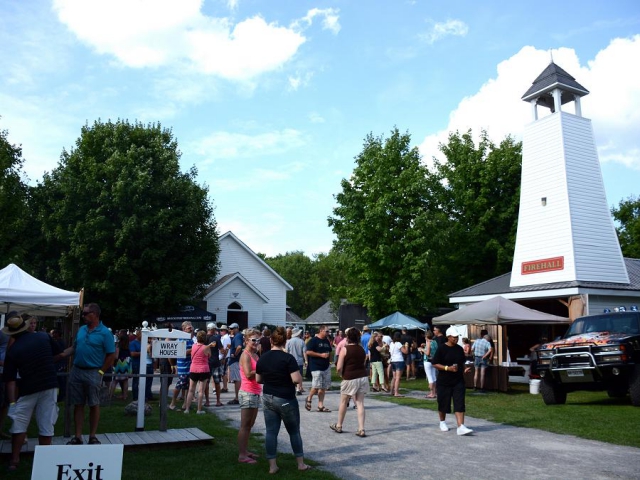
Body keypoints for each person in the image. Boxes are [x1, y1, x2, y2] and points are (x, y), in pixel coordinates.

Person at [2, 312, 63, 471]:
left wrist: (13, 403)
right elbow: (58, 355)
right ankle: (44, 460)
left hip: (28, 387)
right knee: (46, 423)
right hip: (50, 384)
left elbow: (10, 380)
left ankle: (14, 460)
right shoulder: (43, 337)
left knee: (19, 423)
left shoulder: (14, 350)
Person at [256, 327, 311, 474]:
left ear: (271, 340)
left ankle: (272, 466)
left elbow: (258, 379)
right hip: (286, 398)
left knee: (271, 432)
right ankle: (300, 464)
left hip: (268, 397)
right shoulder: (288, 358)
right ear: (284, 342)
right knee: (294, 432)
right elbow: (296, 379)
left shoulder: (263, 357)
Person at [59, 303, 116, 445]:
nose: (83, 316)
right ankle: (78, 436)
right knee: (78, 404)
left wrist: (101, 371)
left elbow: (111, 355)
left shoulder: (105, 333)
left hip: (93, 372)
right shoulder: (82, 330)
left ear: (95, 314)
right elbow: (74, 347)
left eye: (85, 313)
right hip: (77, 370)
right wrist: (60, 355)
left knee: (93, 404)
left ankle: (92, 436)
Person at [431, 326, 473, 435]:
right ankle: (442, 421)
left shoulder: (459, 349)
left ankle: (461, 426)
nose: (456, 339)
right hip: (444, 380)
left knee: (459, 402)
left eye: (457, 337)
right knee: (444, 402)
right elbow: (435, 363)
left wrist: (465, 368)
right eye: (454, 337)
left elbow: (462, 362)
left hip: (458, 380)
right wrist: (447, 368)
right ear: (448, 337)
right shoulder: (441, 348)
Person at [331, 327, 368, 437]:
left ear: (348, 337)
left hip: (349, 378)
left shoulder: (345, 349)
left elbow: (339, 367)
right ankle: (361, 429)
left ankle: (339, 425)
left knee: (343, 402)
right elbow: (363, 362)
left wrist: (341, 374)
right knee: (360, 403)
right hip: (362, 377)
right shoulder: (361, 349)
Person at [237, 328, 262, 464]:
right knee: (245, 425)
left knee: (250, 424)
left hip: (256, 392)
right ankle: (241, 455)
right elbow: (248, 373)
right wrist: (263, 368)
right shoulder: (245, 355)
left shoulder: (255, 355)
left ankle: (245, 451)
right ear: (246, 340)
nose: (256, 342)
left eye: (258, 340)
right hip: (247, 392)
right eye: (253, 340)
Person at [304, 325, 332, 412]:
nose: (328, 333)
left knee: (323, 387)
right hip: (316, 366)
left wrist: (330, 361)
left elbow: (330, 351)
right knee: (316, 386)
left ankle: (320, 405)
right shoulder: (313, 340)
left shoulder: (327, 341)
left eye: (328, 331)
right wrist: (320, 355)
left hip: (325, 366)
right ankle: (309, 399)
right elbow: (308, 352)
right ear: (321, 330)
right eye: (326, 331)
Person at [183, 330, 210, 414]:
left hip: (193, 369)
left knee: (191, 390)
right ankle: (199, 409)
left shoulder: (193, 346)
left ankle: (187, 409)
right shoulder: (206, 348)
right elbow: (209, 356)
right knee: (201, 391)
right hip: (204, 369)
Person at [169, 321, 194, 411]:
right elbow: (181, 352)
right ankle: (172, 403)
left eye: (191, 327)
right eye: (189, 328)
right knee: (180, 385)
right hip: (183, 366)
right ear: (183, 329)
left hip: (190, 366)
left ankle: (185, 404)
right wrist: (194, 349)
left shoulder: (191, 339)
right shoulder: (180, 340)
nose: (191, 329)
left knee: (189, 386)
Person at [130, 329, 154, 402]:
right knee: (136, 380)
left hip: (147, 363)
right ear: (138, 335)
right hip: (137, 364)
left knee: (148, 380)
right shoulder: (133, 343)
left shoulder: (146, 342)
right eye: (142, 334)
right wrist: (144, 352)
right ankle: (136, 397)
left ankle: (147, 395)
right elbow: (133, 354)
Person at [110, 329, 132, 400]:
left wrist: (112, 363)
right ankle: (125, 395)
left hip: (119, 364)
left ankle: (110, 395)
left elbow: (116, 356)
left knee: (115, 381)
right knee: (125, 380)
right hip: (126, 363)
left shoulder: (118, 346)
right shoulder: (127, 347)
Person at [205, 324, 224, 407]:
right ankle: (218, 401)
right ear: (212, 329)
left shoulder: (203, 338)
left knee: (206, 382)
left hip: (206, 363)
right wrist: (226, 350)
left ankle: (207, 401)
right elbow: (222, 351)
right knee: (217, 382)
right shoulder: (216, 339)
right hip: (215, 363)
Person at [227, 323, 244, 405]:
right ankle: (238, 397)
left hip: (235, 360)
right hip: (236, 361)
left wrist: (235, 354)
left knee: (237, 379)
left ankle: (237, 398)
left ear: (237, 328)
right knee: (237, 379)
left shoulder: (237, 336)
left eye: (232, 328)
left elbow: (239, 347)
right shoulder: (237, 336)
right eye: (230, 329)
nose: (231, 330)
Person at [285, 328, 306, 395]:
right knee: (299, 375)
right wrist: (306, 361)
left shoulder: (288, 342)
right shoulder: (302, 341)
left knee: (290, 375)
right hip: (299, 361)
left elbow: (286, 352)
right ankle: (298, 389)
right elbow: (304, 352)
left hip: (290, 361)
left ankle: (291, 388)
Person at [49, 329, 68, 402]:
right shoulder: (58, 342)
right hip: (58, 363)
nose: (53, 335)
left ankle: (61, 396)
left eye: (54, 333)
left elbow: (61, 353)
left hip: (59, 363)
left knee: (60, 381)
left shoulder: (60, 343)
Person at [419, 330, 438, 399]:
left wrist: (422, 350)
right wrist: (425, 346)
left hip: (427, 361)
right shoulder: (435, 342)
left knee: (430, 377)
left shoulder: (428, 342)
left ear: (426, 336)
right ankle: (434, 392)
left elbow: (427, 353)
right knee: (434, 377)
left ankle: (432, 393)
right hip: (434, 360)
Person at [388, 332, 408, 397]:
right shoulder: (399, 343)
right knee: (398, 378)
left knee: (394, 377)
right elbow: (405, 352)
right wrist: (406, 346)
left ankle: (391, 391)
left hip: (393, 360)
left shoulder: (391, 343)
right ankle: (396, 392)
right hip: (399, 360)